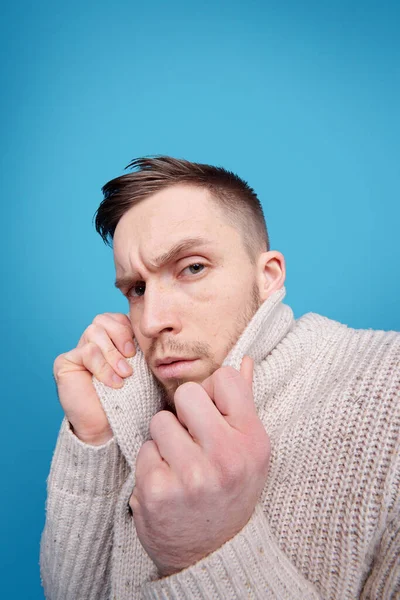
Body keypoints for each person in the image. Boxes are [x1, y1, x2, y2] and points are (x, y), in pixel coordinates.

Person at [40, 156, 400, 600]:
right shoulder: (132, 400)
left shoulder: (389, 384)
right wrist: (94, 441)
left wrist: (206, 549)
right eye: (137, 288)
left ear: (267, 276)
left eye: (192, 268)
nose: (151, 321)